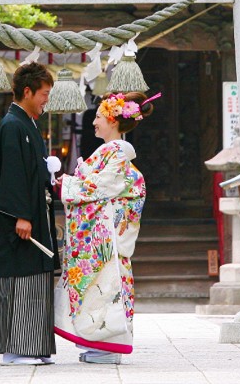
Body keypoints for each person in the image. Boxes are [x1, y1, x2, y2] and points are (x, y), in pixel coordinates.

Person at [53, 91, 155, 365]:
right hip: (105, 236)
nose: (94, 122)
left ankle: (107, 345)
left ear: (112, 120)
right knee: (101, 288)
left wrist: (68, 185)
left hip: (104, 238)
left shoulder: (117, 153)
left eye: (98, 117)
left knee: (105, 288)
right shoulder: (113, 153)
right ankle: (100, 343)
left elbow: (101, 188)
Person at [0, 62, 58, 365]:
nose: (46, 99)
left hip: (34, 215)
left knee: (35, 278)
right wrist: (20, 216)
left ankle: (33, 346)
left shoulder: (27, 123)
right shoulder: (12, 125)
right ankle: (15, 349)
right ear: (27, 91)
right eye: (43, 93)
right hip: (20, 221)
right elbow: (12, 175)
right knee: (20, 277)